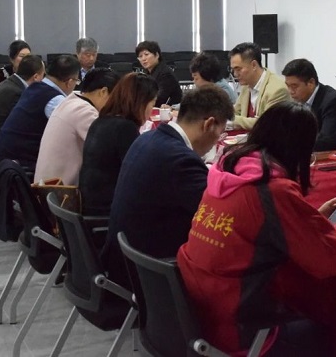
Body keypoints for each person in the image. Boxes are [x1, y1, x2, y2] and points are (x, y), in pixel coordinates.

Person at [177, 102, 336, 356]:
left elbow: (259, 225)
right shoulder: (270, 189)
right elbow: (332, 259)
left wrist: (309, 220)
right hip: (241, 328)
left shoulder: (227, 171)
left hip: (197, 313)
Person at [102, 85, 234, 289]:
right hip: (150, 274)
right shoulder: (181, 160)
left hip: (124, 260)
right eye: (220, 133)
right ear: (208, 124)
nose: (217, 140)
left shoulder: (147, 138)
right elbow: (216, 213)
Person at [78, 73, 160, 217]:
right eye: (152, 103)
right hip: (106, 214)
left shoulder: (101, 121)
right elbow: (140, 176)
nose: (151, 110)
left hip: (91, 207)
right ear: (140, 102)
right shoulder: (124, 128)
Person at [34, 68, 120, 186]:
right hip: (60, 190)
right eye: (115, 97)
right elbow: (110, 147)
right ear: (103, 92)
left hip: (46, 184)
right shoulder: (84, 111)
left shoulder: (72, 101)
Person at [0, 54, 80, 167]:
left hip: (3, 159)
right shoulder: (55, 100)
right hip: (20, 165)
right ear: (70, 82)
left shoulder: (33, 88)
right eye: (77, 81)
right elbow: (72, 132)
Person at [0, 54, 44, 152]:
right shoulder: (16, 92)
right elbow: (24, 126)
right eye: (43, 75)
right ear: (36, 77)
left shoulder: (8, 85)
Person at [282, 58, 336, 152]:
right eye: (288, 86)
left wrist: (292, 146)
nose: (290, 91)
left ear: (311, 83)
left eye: (294, 86)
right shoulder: (298, 100)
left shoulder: (333, 102)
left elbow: (327, 141)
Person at [229, 42, 288, 130]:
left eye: (238, 69)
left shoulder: (277, 89)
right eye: (233, 70)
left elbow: (265, 124)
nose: (235, 74)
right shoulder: (246, 85)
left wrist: (233, 120)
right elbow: (234, 112)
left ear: (254, 65)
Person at [136, 40, 182, 106]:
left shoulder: (165, 74)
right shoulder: (147, 73)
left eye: (146, 54)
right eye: (140, 56)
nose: (143, 59)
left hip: (170, 110)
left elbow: (160, 98)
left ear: (157, 55)